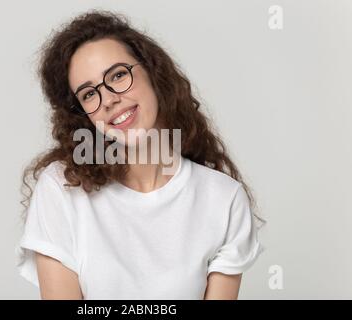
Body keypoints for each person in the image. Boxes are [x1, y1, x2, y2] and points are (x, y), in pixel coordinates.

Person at [16, 10, 265, 300]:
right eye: (88, 94)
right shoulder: (61, 189)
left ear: (152, 72)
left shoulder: (224, 199)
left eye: (118, 75)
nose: (108, 99)